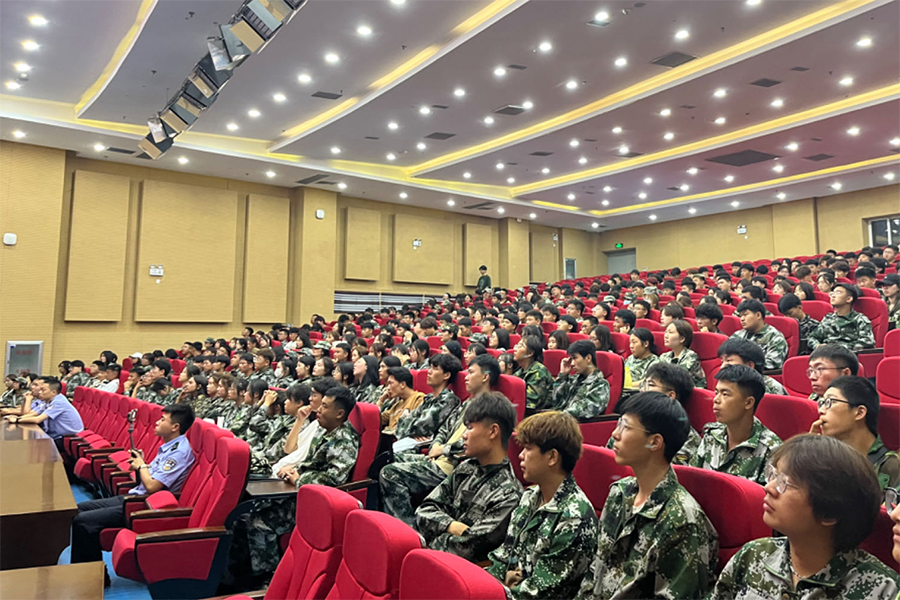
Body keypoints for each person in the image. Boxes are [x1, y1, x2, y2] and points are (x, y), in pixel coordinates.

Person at [708, 435, 899, 600]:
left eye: (785, 483)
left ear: (829, 512)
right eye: (773, 475)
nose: (768, 488)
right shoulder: (754, 554)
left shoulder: (881, 589)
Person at [578, 392, 718, 600]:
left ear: (654, 442)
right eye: (618, 423)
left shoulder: (681, 521)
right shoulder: (620, 493)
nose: (615, 434)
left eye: (626, 427)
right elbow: (595, 572)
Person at [70, 405, 195, 580]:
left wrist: (142, 466)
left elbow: (152, 486)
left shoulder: (179, 453)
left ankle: (92, 578)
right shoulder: (168, 447)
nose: (157, 423)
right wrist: (141, 463)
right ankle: (86, 571)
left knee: (83, 522)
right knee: (78, 509)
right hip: (135, 496)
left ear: (175, 427)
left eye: (162, 420)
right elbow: (150, 477)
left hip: (145, 505)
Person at [486, 411, 598, 600]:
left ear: (552, 457)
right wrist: (487, 586)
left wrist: (499, 592)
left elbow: (541, 593)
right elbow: (504, 557)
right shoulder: (530, 497)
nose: (520, 455)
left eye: (528, 449)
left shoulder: (574, 517)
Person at [380, 354, 499, 527]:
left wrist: (443, 449)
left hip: (453, 465)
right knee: (385, 457)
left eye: (471, 372)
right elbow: (444, 429)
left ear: (485, 377)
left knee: (390, 473)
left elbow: (478, 443)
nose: (466, 377)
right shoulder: (466, 404)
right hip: (437, 457)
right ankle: (387, 524)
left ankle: (406, 530)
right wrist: (436, 445)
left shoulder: (490, 408)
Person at [415, 393, 523, 562]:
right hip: (431, 559)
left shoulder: (509, 494)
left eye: (470, 428)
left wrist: (434, 532)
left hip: (452, 568)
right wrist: (451, 526)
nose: (464, 435)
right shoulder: (466, 468)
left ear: (493, 431)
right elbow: (423, 511)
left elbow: (465, 548)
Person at [690, 365, 781, 485]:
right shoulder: (712, 434)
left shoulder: (772, 450)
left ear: (748, 403)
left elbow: (769, 495)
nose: (716, 399)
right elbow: (692, 479)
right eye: (716, 392)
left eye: (725, 394)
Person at [811, 376, 900, 491]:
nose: (821, 410)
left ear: (859, 413)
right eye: (821, 403)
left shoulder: (891, 466)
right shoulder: (825, 458)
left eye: (830, 402)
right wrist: (809, 455)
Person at [394, 353, 462, 441]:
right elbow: (404, 424)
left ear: (446, 375)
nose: (429, 372)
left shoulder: (448, 400)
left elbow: (418, 428)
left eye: (435, 369)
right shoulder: (429, 398)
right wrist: (406, 425)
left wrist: (405, 424)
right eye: (430, 367)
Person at [548, 340, 610, 419]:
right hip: (558, 420)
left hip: (571, 423)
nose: (572, 364)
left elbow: (583, 410)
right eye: (571, 359)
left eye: (575, 358)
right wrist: (562, 375)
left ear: (588, 358)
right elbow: (555, 400)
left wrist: (555, 416)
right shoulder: (573, 379)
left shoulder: (600, 385)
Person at [807, 283, 875, 351]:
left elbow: (868, 341)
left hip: (847, 354)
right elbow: (812, 337)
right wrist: (817, 345)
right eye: (832, 293)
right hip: (825, 353)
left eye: (838, 292)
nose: (833, 296)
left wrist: (839, 348)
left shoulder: (859, 319)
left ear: (849, 299)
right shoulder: (828, 318)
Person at [730, 299, 788, 370]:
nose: (742, 319)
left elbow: (773, 363)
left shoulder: (774, 337)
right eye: (740, 316)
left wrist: (742, 364)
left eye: (745, 315)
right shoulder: (738, 334)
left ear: (758, 315)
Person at [717, 337, 787, 395]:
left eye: (728, 361)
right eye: (722, 361)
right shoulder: (726, 383)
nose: (722, 367)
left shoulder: (770, 389)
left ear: (750, 366)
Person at [659, 320, 707, 389]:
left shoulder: (690, 356)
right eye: (666, 332)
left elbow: (677, 378)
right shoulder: (664, 356)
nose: (665, 336)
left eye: (670, 332)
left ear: (682, 339)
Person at [513, 335, 554, 411]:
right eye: (516, 345)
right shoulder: (520, 371)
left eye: (520, 346)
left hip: (540, 414)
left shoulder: (538, 371)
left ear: (530, 353)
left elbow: (531, 404)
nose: (515, 349)